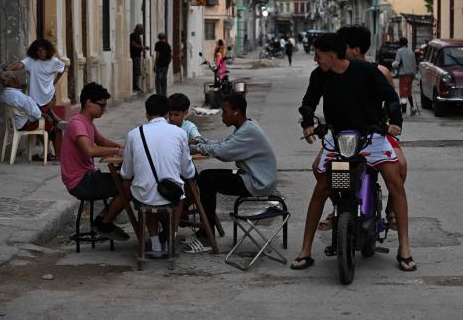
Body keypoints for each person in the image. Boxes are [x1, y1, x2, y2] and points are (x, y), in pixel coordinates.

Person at [291, 34, 415, 272]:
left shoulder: (366, 71)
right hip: (340, 139)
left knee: (395, 181)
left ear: (331, 55)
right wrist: (307, 122)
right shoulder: (319, 75)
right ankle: (305, 249)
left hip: (371, 137)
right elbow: (309, 101)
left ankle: (405, 248)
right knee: (321, 187)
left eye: (317, 55)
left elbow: (390, 98)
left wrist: (395, 121)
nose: (315, 59)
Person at [184, 93, 277, 253]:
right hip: (251, 177)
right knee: (206, 177)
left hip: (257, 183)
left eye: (225, 112)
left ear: (236, 112)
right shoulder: (246, 127)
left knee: (207, 179)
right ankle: (205, 229)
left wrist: (195, 147)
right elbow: (225, 143)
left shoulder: (248, 132)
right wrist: (202, 142)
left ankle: (207, 235)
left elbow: (223, 152)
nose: (222, 116)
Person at [339, 25, 408, 231]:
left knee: (401, 165)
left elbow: (391, 102)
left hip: (376, 132)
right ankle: (339, 206)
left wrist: (390, 123)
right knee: (323, 169)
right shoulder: (337, 72)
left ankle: (391, 208)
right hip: (347, 136)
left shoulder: (381, 72)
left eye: (343, 46)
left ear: (356, 49)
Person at [120, 94, 196, 257]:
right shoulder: (179, 133)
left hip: (143, 196)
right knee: (179, 195)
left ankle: (155, 244)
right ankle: (170, 239)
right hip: (171, 196)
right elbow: (188, 172)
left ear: (147, 114)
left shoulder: (134, 134)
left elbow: (126, 173)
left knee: (147, 195)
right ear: (167, 113)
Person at [60, 82, 129, 241]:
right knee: (129, 186)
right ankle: (104, 222)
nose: (104, 110)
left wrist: (124, 147)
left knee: (126, 180)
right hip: (81, 182)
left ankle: (105, 219)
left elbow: (101, 140)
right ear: (89, 103)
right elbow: (90, 150)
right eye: (102, 105)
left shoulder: (87, 122)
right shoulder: (77, 123)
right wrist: (117, 151)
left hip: (88, 177)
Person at [3, 38, 65, 159]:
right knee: (38, 121)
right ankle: (47, 150)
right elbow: (20, 65)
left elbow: (62, 69)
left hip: (49, 96)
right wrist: (9, 67)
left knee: (51, 122)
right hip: (34, 98)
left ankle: (53, 152)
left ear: (48, 51)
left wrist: (55, 81)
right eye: (38, 51)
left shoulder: (54, 61)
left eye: (42, 51)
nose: (40, 53)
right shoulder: (31, 61)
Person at [0, 71, 55, 137]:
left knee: (47, 114)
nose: (19, 80)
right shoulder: (18, 95)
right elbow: (36, 113)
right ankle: (49, 146)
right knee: (52, 124)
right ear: (13, 81)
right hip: (24, 125)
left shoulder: (4, 94)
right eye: (17, 78)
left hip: (14, 124)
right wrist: (46, 116)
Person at [392, 37, 417, 116]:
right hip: (412, 74)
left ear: (400, 43)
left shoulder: (400, 51)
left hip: (404, 74)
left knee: (403, 92)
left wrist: (392, 64)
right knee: (408, 91)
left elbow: (397, 63)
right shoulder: (411, 51)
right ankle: (412, 108)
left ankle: (403, 112)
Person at [130, 24, 149, 92]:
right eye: (142, 30)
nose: (143, 31)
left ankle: (136, 85)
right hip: (135, 56)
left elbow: (138, 45)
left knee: (137, 71)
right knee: (136, 71)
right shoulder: (134, 35)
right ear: (138, 29)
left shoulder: (137, 36)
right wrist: (142, 47)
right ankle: (135, 86)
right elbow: (133, 44)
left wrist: (143, 47)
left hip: (137, 55)